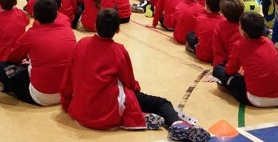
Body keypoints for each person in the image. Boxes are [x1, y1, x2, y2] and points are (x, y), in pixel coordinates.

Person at [61, 8, 211, 141]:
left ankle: (142, 115)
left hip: (80, 112)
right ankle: (176, 124)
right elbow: (129, 82)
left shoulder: (81, 44)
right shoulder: (118, 50)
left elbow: (68, 77)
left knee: (131, 98)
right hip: (106, 112)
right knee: (161, 102)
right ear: (118, 29)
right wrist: (136, 93)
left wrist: (67, 102)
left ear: (96, 25)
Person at [0, 0, 76, 106]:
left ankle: (8, 87)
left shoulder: (30, 35)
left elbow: (12, 58)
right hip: (67, 91)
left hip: (41, 95)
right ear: (56, 14)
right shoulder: (68, 31)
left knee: (0, 68)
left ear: (35, 15)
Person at [212, 12, 278, 107]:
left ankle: (229, 89)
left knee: (218, 69)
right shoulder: (269, 43)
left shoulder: (239, 45)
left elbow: (229, 70)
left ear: (243, 31)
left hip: (254, 98)